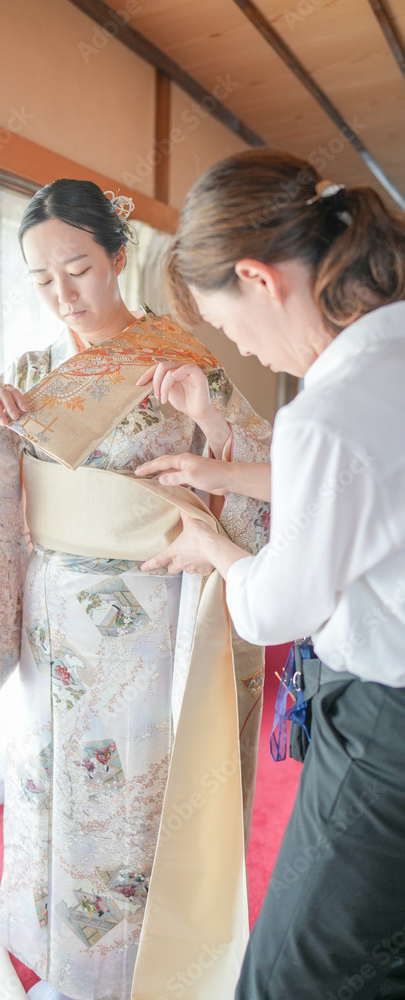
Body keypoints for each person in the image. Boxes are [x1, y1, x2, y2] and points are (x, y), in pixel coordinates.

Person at [0, 178, 272, 1000]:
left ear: (117, 256)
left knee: (132, 794)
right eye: (42, 278)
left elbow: (259, 472)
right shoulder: (33, 371)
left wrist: (208, 425)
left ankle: (129, 971)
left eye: (77, 269)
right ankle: (59, 960)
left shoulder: (182, 359)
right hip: (51, 613)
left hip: (147, 611)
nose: (62, 293)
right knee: (47, 779)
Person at [137, 149, 405, 999]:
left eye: (229, 324)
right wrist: (219, 472)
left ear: (257, 278)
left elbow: (273, 607)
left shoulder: (327, 409)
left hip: (386, 730)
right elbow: (372, 489)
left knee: (289, 976)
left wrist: (213, 549)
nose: (241, 344)